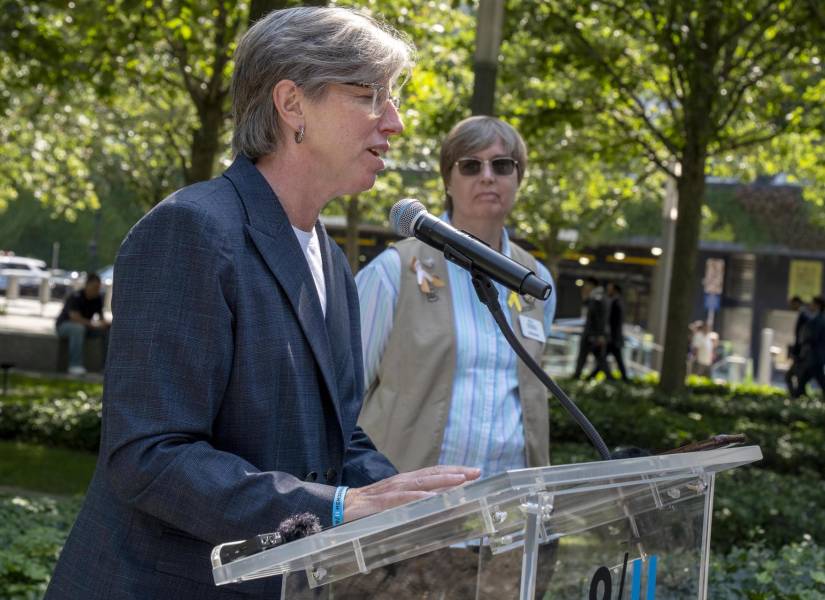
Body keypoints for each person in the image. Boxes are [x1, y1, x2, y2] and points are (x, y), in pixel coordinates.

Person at [44, 8, 478, 600]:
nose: (395, 123)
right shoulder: (190, 231)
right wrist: (336, 508)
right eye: (371, 96)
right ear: (292, 104)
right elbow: (150, 455)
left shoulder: (332, 262)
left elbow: (335, 441)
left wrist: (411, 505)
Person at [353, 115, 556, 598]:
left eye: (502, 165)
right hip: (410, 526)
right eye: (471, 165)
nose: (488, 176)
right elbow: (341, 397)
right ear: (448, 179)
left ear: (518, 178)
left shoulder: (536, 282)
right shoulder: (394, 270)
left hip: (508, 532)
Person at [55, 272, 110, 375]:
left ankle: (106, 366)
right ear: (87, 285)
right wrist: (94, 324)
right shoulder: (75, 296)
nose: (97, 290)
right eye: (94, 287)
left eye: (98, 287)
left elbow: (101, 318)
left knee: (107, 331)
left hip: (86, 328)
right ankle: (74, 365)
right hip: (65, 326)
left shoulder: (98, 299)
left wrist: (105, 324)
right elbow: (74, 317)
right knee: (78, 328)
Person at [573, 277, 612, 380]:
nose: (585, 287)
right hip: (593, 334)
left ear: (591, 285)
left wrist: (600, 335)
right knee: (598, 359)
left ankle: (610, 379)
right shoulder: (596, 296)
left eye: (586, 285)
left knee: (598, 359)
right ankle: (578, 377)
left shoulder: (598, 297)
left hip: (592, 334)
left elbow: (601, 318)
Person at [792, 296, 825, 399]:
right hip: (812, 356)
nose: (810, 305)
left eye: (812, 303)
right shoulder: (815, 318)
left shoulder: (820, 319)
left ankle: (798, 399)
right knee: (803, 379)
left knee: (816, 378)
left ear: (818, 305)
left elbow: (814, 337)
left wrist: (804, 342)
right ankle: (798, 398)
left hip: (815, 356)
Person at [598, 282, 629, 381]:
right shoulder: (618, 302)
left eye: (610, 289)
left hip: (613, 338)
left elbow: (614, 323)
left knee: (602, 358)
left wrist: (609, 337)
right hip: (614, 338)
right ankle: (622, 379)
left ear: (615, 290)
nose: (608, 290)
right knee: (604, 358)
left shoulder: (616, 303)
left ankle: (615, 378)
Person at [785, 295, 811, 394]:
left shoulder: (804, 316)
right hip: (802, 353)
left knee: (793, 377)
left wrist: (798, 352)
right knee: (799, 378)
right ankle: (799, 396)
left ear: (796, 303)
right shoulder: (804, 315)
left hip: (802, 354)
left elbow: (802, 337)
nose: (790, 306)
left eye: (791, 304)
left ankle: (796, 396)